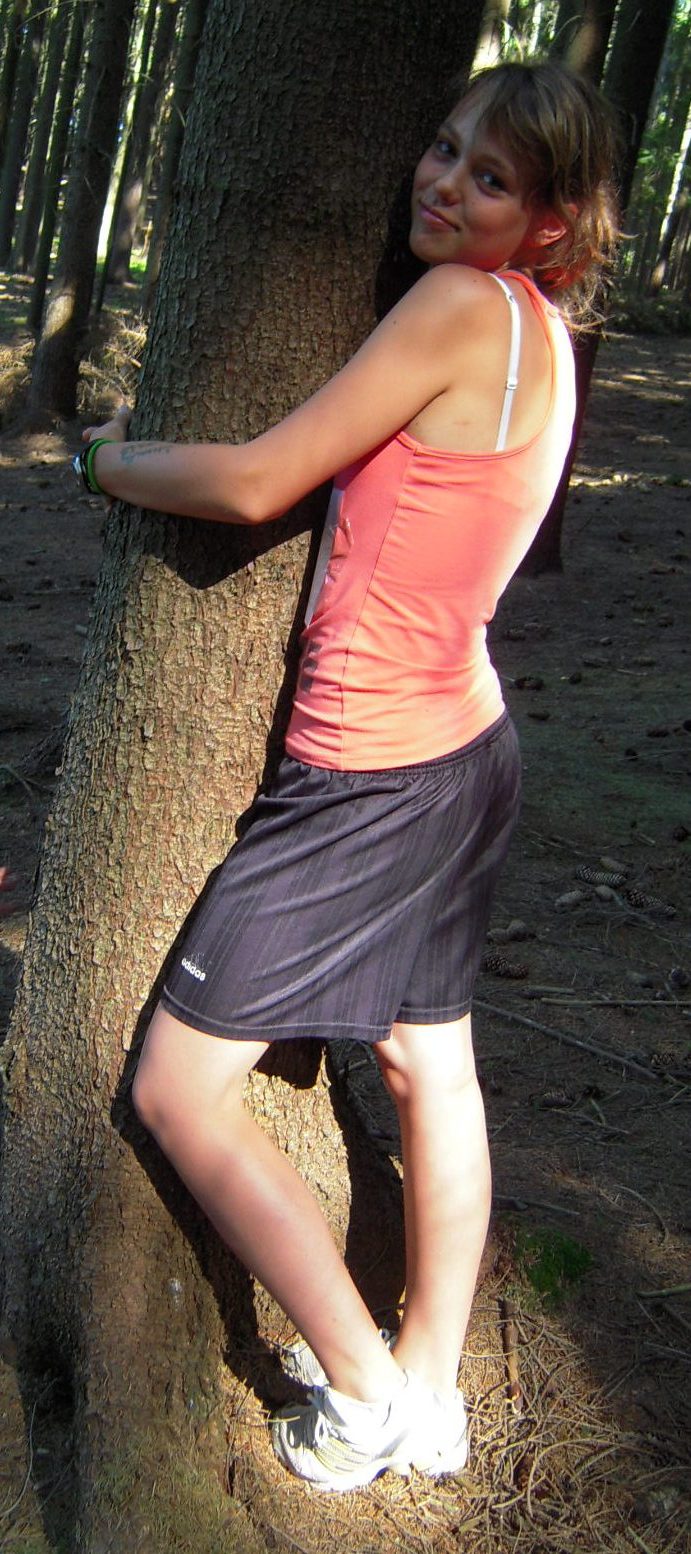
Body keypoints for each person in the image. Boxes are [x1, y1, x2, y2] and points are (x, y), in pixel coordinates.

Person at [76, 61, 620, 1492]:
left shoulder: (457, 306)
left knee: (178, 1090)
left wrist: (102, 462)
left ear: (551, 222)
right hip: (466, 749)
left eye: (491, 178)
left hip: (371, 770)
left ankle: (367, 1393)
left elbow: (259, 481)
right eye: (443, 149)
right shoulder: (546, 335)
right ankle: (432, 1388)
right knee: (429, 1060)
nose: (443, 183)